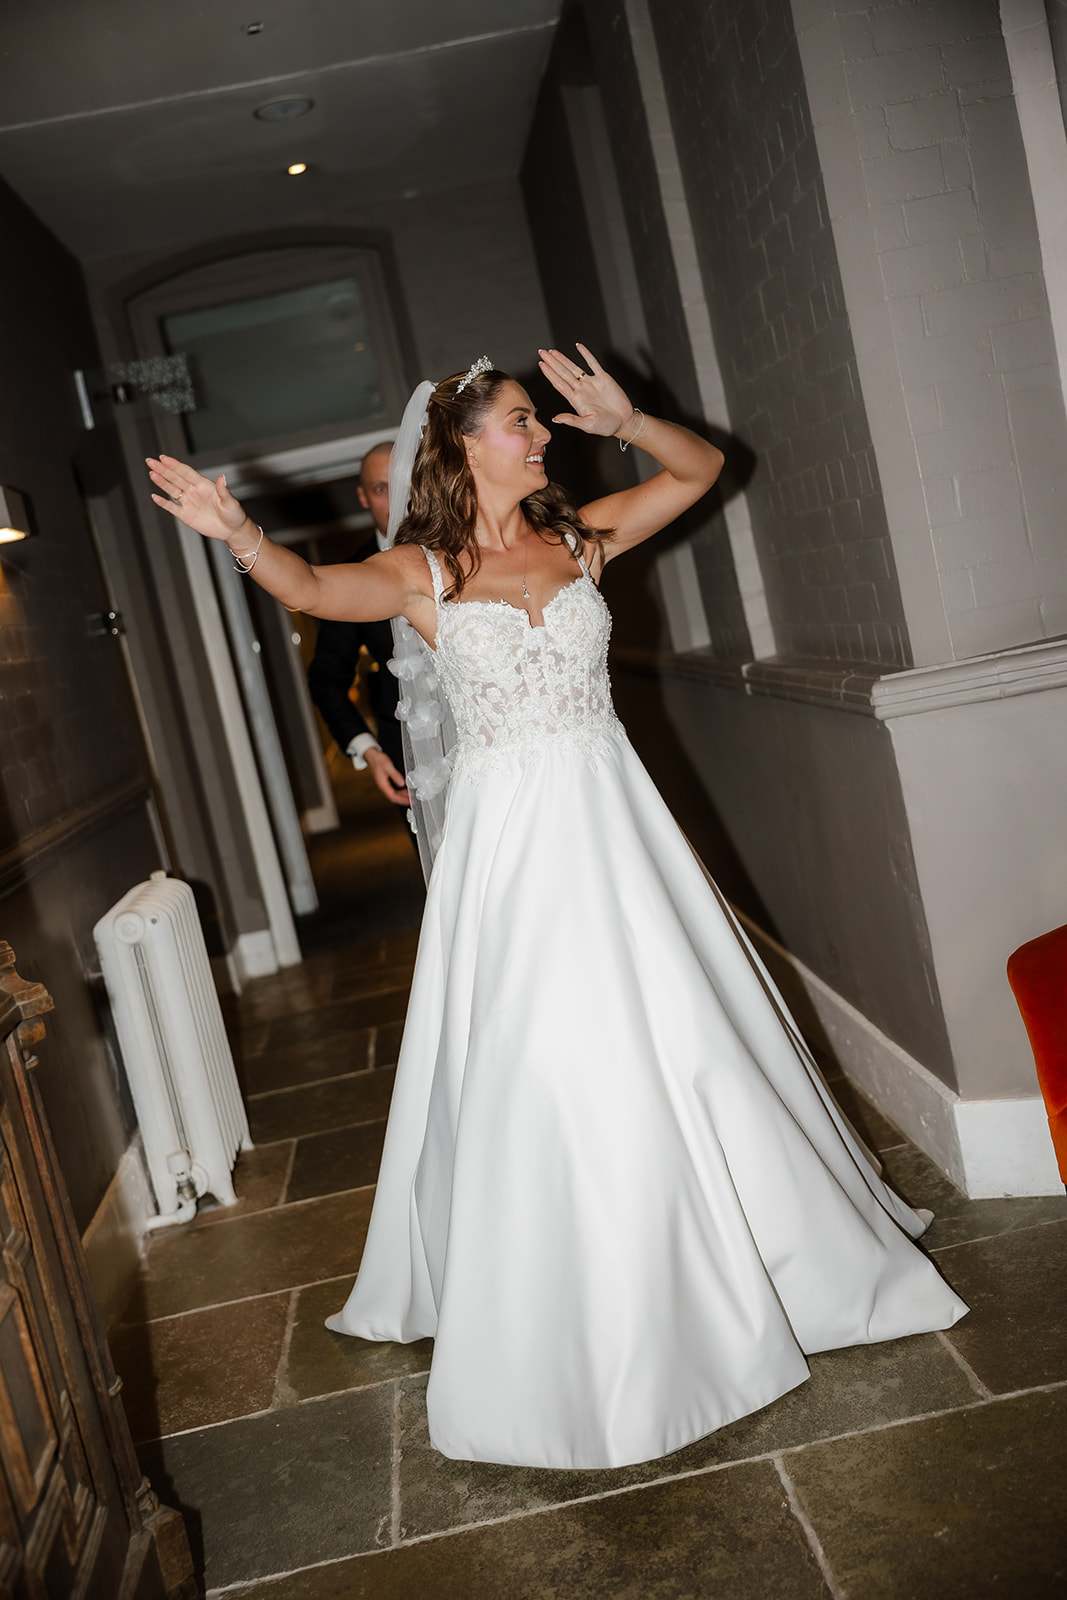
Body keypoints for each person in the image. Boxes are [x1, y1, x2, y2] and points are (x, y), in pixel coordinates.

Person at [147, 344, 966, 1472]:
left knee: (681, 1031)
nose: (542, 436)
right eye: (523, 421)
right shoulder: (420, 574)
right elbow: (311, 590)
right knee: (541, 1055)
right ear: (462, 442)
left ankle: (766, 1256)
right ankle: (571, 1294)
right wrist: (234, 532)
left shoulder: (580, 537)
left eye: (539, 421)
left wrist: (624, 418)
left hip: (613, 826)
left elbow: (699, 471)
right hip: (511, 852)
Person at [305, 441, 409, 808]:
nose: (397, 499)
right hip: (408, 762)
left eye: (405, 483)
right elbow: (326, 678)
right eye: (382, 489)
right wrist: (370, 751)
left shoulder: (468, 551)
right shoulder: (352, 575)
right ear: (363, 497)